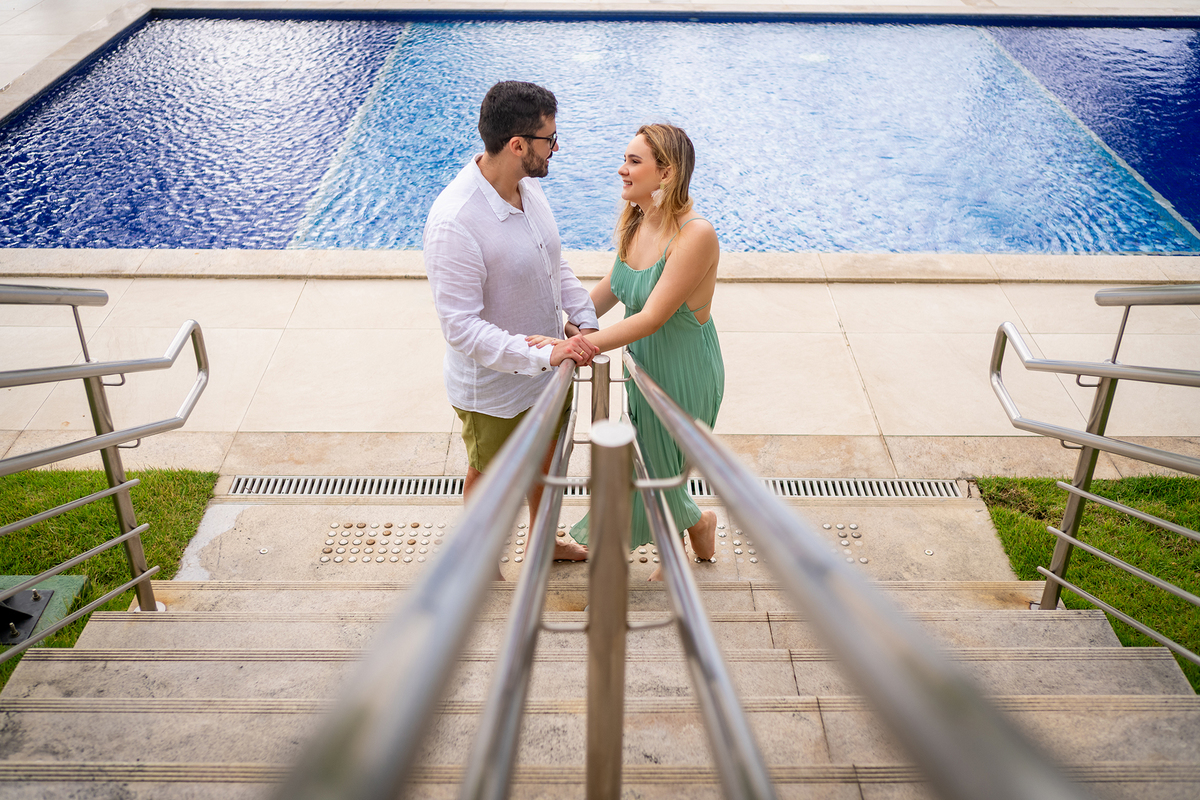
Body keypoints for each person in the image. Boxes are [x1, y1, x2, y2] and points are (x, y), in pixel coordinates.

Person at [527, 123, 723, 580]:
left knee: (654, 466)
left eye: (634, 161)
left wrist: (576, 344)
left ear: (667, 172)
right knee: (644, 463)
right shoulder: (638, 223)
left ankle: (677, 555)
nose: (622, 169)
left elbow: (651, 317)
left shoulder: (696, 235)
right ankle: (698, 526)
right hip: (643, 366)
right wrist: (556, 327)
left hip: (684, 372)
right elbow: (608, 293)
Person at [423, 81, 599, 563]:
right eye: (550, 139)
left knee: (546, 459)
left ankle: (545, 542)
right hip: (495, 389)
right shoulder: (455, 221)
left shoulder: (529, 188)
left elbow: (553, 262)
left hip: (548, 372)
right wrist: (545, 352)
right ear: (518, 145)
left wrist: (583, 319)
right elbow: (461, 328)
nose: (556, 148)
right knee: (491, 471)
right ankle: (478, 561)